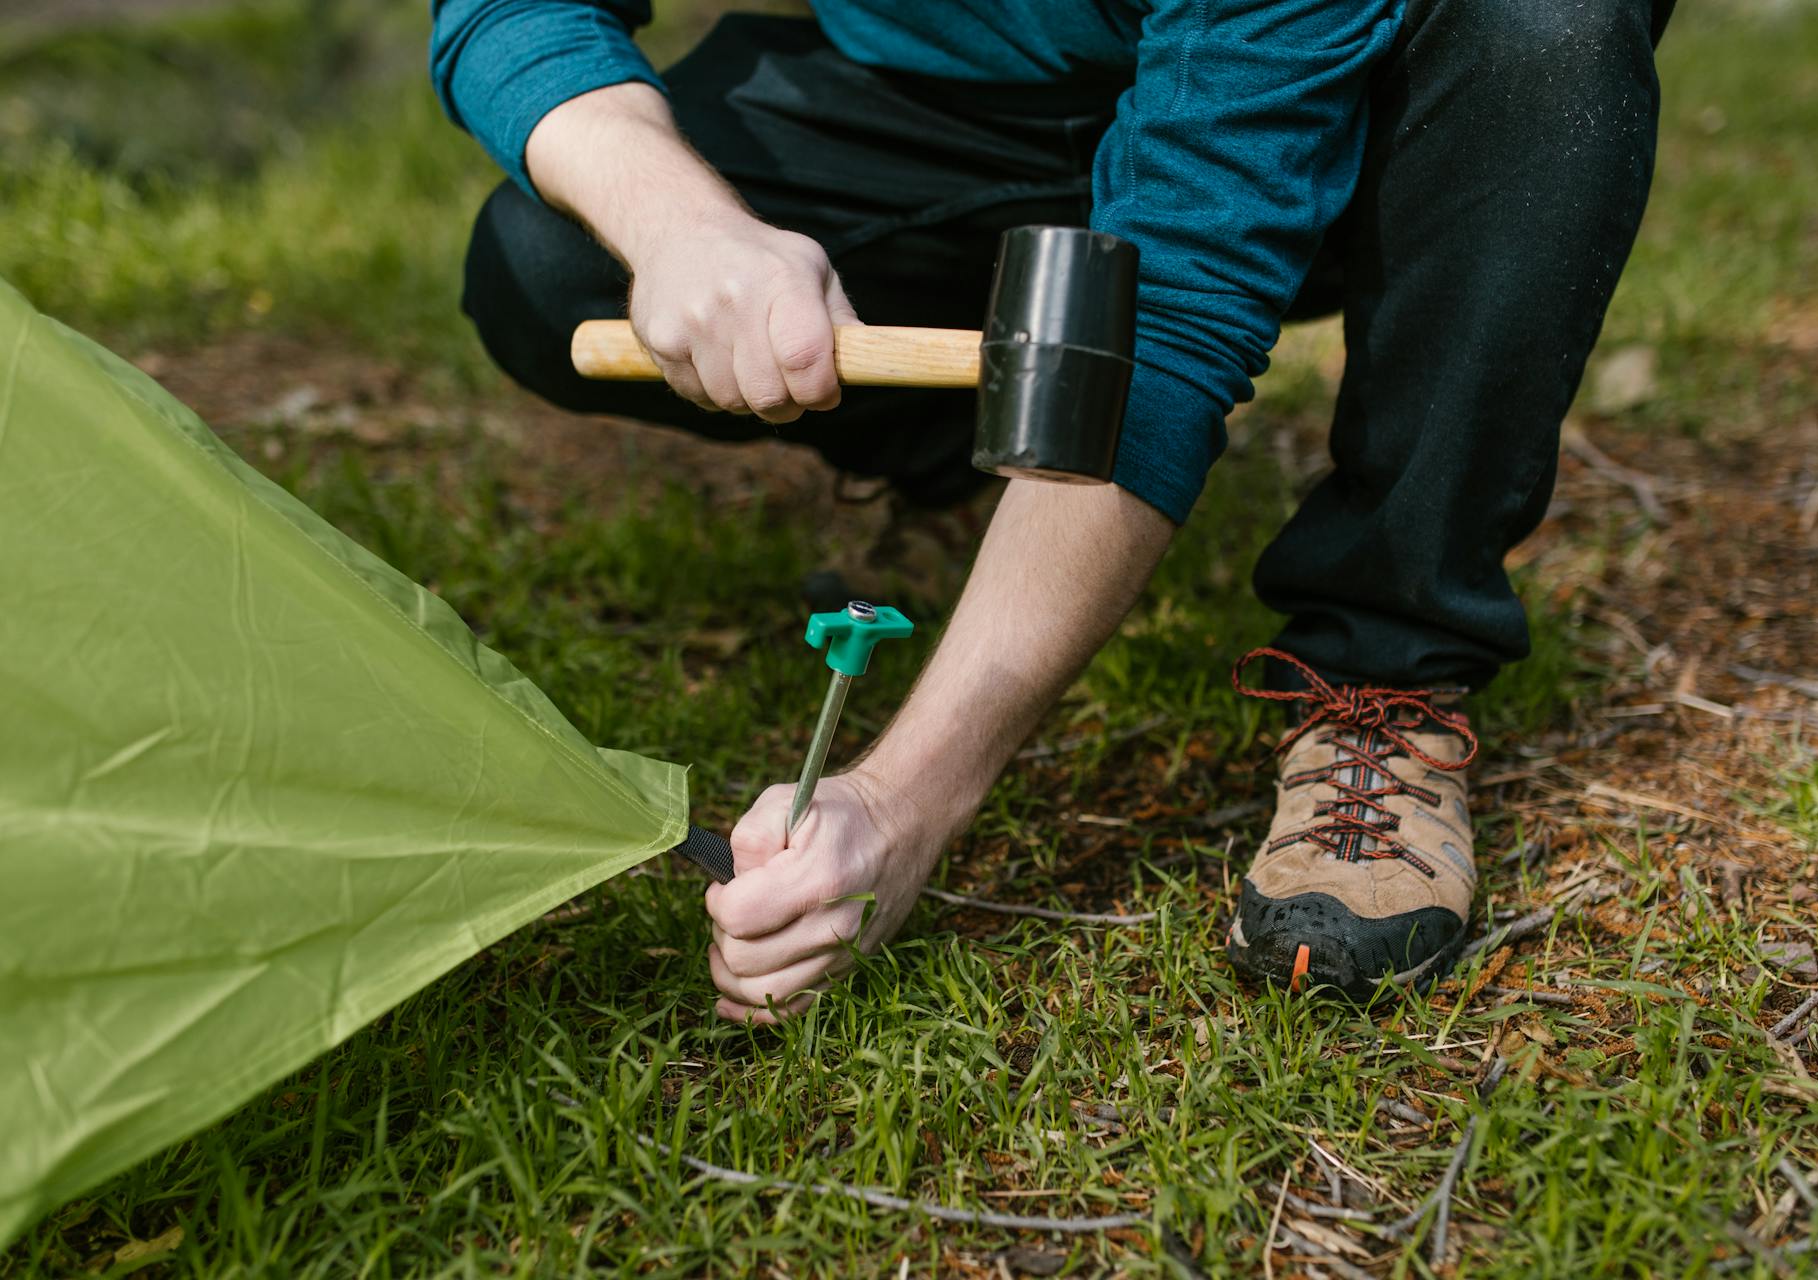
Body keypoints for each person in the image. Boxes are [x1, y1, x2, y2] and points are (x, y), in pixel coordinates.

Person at [431, 0, 1672, 1020]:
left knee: (1542, 31)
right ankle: (964, 460)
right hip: (958, 94)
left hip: (1358, 88)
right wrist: (684, 226)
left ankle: (1387, 662)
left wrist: (902, 802)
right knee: (552, 257)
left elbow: (1173, 314)